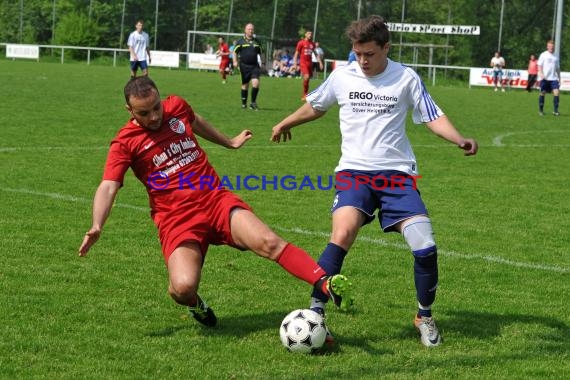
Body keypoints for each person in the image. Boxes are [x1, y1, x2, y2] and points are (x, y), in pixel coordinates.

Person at [78, 76, 353, 331]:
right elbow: (108, 185)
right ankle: (196, 305)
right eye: (144, 113)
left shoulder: (176, 106)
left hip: (215, 200)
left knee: (269, 241)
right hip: (177, 219)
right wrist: (97, 224)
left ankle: (325, 282)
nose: (154, 116)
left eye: (156, 107)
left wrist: (230, 142)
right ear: (129, 110)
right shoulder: (125, 142)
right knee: (182, 288)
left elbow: (195, 121)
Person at [270, 15, 478, 348]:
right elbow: (317, 105)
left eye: (369, 54)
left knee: (425, 246)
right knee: (343, 233)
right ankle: (315, 314)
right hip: (353, 172)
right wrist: (284, 123)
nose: (363, 61)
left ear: (385, 48)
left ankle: (424, 316)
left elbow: (432, 115)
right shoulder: (343, 76)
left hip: (397, 175)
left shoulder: (406, 77)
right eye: (357, 53)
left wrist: (459, 139)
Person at [233, 23, 263, 110]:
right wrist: (235, 61)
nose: (251, 31)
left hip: (254, 66)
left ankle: (253, 103)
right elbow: (235, 52)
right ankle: (244, 103)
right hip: (244, 66)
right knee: (245, 85)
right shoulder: (240, 41)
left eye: (252, 29)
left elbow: (261, 53)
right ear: (245, 30)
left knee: (256, 83)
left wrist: (263, 63)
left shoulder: (257, 42)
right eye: (249, 29)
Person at [293, 30, 323, 100]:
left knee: (308, 78)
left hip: (310, 63)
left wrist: (320, 62)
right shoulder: (301, 43)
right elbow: (296, 53)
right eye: (309, 33)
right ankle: (305, 94)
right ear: (305, 35)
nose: (310, 35)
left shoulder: (312, 44)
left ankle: (306, 93)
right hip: (303, 62)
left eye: (311, 34)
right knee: (306, 76)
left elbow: (316, 54)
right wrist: (295, 64)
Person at [537, 40, 561, 116]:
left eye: (552, 46)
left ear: (553, 47)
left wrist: (559, 78)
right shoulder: (543, 54)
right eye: (549, 46)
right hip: (545, 78)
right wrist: (541, 73)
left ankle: (555, 111)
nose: (551, 47)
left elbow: (557, 68)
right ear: (547, 47)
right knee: (542, 93)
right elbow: (539, 65)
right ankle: (541, 111)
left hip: (553, 79)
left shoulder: (556, 56)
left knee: (556, 93)